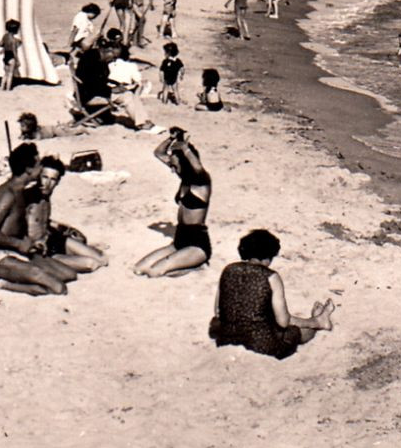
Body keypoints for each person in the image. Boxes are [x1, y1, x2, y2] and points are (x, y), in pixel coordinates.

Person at [209, 230, 335, 358]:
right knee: (297, 332)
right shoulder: (271, 277)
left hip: (226, 338)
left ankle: (317, 320)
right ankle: (319, 321)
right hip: (260, 344)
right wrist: (312, 322)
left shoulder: (229, 269)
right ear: (268, 256)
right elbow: (284, 321)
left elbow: (218, 311)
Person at [0, 143, 68, 296]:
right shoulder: (7, 194)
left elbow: (16, 226)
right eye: (38, 164)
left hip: (19, 252)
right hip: (2, 257)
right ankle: (5, 283)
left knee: (68, 275)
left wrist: (33, 242)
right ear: (29, 169)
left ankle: (19, 278)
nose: (41, 167)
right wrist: (19, 243)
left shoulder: (20, 191)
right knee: (58, 288)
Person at [134, 129, 212, 278]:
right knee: (139, 268)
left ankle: (198, 266)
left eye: (175, 165)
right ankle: (186, 263)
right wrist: (171, 139)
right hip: (179, 240)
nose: (172, 169)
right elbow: (158, 153)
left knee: (154, 272)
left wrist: (185, 148)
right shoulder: (184, 178)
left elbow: (198, 168)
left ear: (185, 162)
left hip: (197, 245)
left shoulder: (202, 184)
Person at [23, 155, 106, 275]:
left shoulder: (45, 199)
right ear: (38, 176)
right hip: (40, 252)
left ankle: (69, 254)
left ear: (57, 182)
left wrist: (65, 229)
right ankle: (59, 259)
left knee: (101, 257)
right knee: (91, 264)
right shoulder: (27, 198)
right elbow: (18, 227)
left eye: (52, 179)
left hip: (51, 241)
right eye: (44, 177)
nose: (47, 183)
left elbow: (42, 221)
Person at [76, 40, 151, 129]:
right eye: (114, 57)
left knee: (129, 93)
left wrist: (117, 85)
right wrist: (112, 90)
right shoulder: (92, 62)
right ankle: (141, 123)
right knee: (127, 97)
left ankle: (144, 119)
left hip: (92, 92)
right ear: (108, 51)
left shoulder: (95, 57)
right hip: (88, 96)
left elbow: (99, 81)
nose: (114, 60)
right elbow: (91, 84)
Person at [0, 19, 23, 92]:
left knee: (5, 74)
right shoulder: (13, 40)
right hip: (11, 57)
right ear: (15, 30)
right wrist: (17, 61)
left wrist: (4, 48)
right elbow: (14, 51)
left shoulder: (5, 36)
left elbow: (0, 44)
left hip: (6, 57)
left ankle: (2, 87)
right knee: (10, 74)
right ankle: (8, 89)